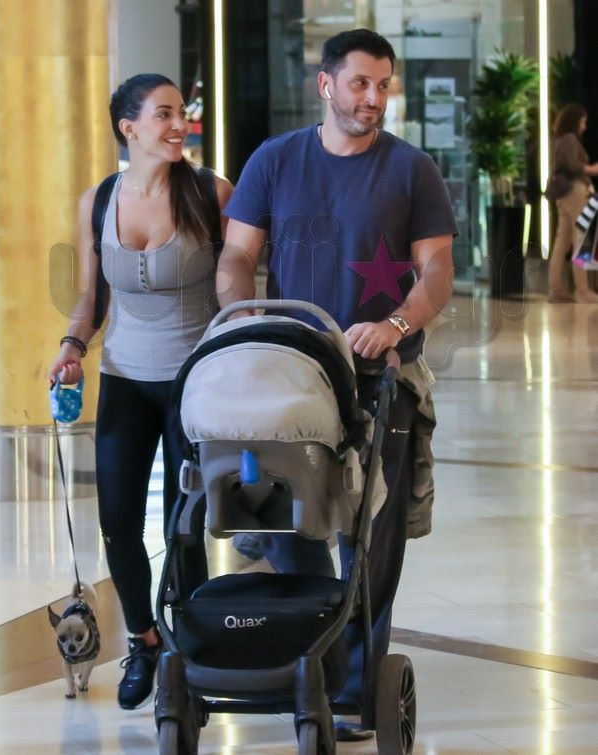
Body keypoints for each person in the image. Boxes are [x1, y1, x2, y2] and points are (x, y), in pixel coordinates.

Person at [217, 29, 456, 740]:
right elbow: (236, 254)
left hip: (382, 376)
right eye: (360, 83)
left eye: (383, 85)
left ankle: (355, 688)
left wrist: (396, 321)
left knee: (373, 537)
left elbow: (436, 271)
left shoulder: (411, 170)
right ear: (326, 86)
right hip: (293, 376)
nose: (373, 98)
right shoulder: (274, 160)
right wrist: (243, 312)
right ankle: (308, 665)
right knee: (288, 520)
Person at [48, 74, 232, 710]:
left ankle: (194, 649)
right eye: (164, 114)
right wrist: (72, 347)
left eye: (181, 112)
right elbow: (90, 298)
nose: (179, 124)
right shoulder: (100, 200)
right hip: (124, 380)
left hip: (195, 382)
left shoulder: (211, 192)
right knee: (118, 523)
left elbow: (238, 286)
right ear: (129, 128)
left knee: (187, 524)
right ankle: (144, 640)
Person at [546, 103, 598, 303]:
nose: (584, 126)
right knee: (581, 238)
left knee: (563, 241)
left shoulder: (558, 140)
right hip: (575, 191)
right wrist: (591, 169)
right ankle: (582, 289)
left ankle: (556, 288)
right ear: (575, 121)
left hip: (564, 194)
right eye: (583, 122)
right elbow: (573, 165)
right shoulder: (569, 139)